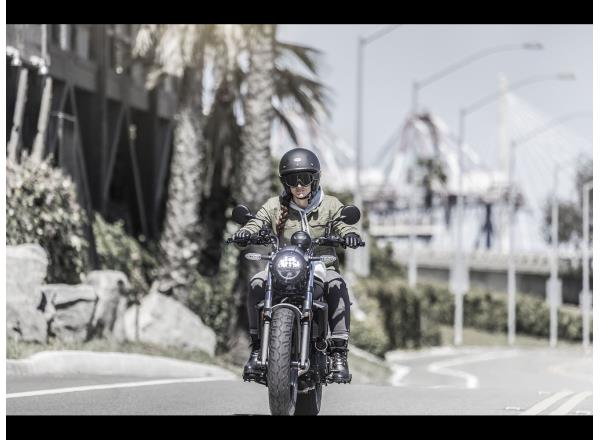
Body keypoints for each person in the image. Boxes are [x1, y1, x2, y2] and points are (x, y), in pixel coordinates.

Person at [233, 147, 362, 383]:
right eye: (293, 179)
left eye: (304, 178)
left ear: (315, 179)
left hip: (320, 266)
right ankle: (257, 347)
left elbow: (344, 224)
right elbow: (256, 222)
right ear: (285, 182)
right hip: (283, 266)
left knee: (337, 284)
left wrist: (350, 235)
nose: (299, 185)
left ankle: (339, 353)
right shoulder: (274, 205)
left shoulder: (330, 205)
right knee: (256, 282)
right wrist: (245, 232)